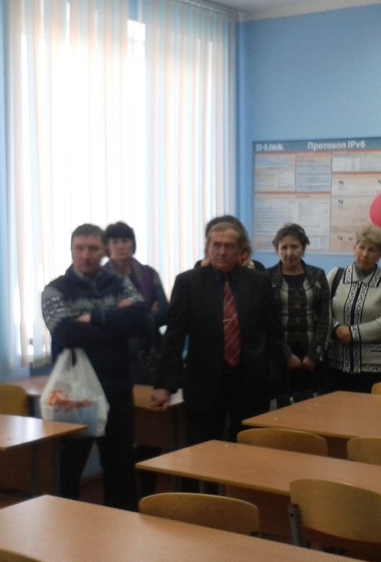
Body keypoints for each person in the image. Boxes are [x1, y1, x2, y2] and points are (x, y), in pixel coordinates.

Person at [41, 224, 148, 510]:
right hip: (73, 396)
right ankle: (66, 531)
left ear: (104, 251)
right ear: (71, 250)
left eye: (93, 249)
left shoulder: (120, 283)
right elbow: (67, 334)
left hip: (117, 391)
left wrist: (92, 318)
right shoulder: (55, 290)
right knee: (68, 471)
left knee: (121, 470)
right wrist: (116, 322)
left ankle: (122, 531)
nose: (86, 255)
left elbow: (141, 320)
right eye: (79, 248)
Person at [152, 218, 283, 443]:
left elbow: (274, 333)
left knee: (248, 449)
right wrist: (164, 385)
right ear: (207, 249)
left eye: (229, 246)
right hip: (204, 383)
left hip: (250, 383)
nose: (222, 252)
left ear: (240, 252)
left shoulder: (258, 282)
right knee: (203, 450)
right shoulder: (187, 283)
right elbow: (174, 336)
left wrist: (273, 377)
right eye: (217, 245)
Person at [325, 224, 381, 393]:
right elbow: (322, 309)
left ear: (380, 255)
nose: (365, 254)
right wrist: (336, 329)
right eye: (361, 247)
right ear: (354, 248)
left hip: (375, 370)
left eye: (372, 250)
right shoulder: (336, 275)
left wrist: (352, 333)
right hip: (335, 366)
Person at [266, 223, 331, 403]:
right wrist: (286, 355)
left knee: (314, 406)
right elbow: (268, 321)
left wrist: (313, 354)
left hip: (313, 355)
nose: (289, 253)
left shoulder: (318, 275)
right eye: (284, 247)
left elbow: (325, 316)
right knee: (282, 407)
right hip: (279, 355)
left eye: (294, 247)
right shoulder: (267, 277)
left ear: (303, 248)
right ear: (277, 250)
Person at [102, 221, 169, 385]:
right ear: (107, 247)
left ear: (133, 244)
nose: (120, 246)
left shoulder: (149, 273)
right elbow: (104, 319)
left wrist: (125, 313)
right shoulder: (100, 279)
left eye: (125, 241)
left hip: (151, 351)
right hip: (114, 354)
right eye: (114, 242)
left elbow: (164, 313)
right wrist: (147, 312)